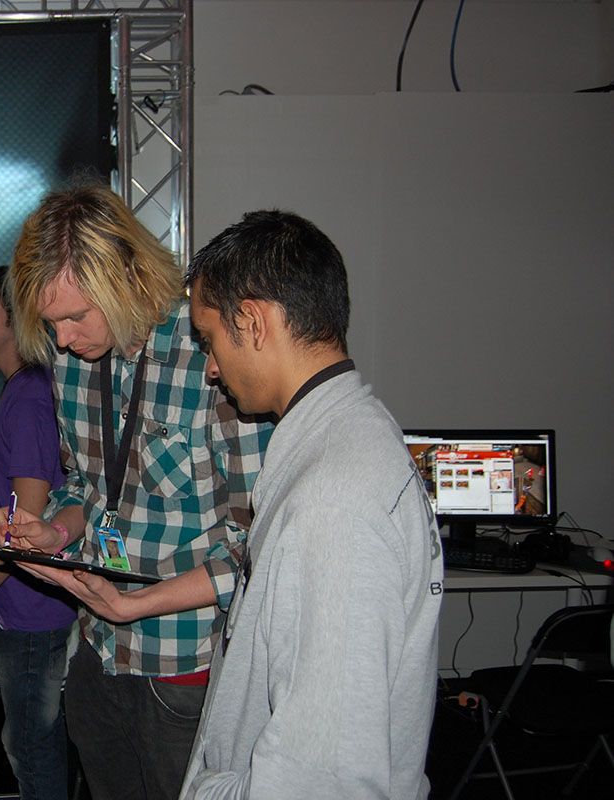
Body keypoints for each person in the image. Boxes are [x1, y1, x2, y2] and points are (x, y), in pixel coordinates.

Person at [1, 184, 272, 799]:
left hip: (187, 664)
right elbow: (87, 486)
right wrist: (54, 530)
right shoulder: (70, 362)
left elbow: (257, 543)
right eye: (51, 322)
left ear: (128, 276)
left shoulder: (212, 352)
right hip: (99, 649)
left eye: (76, 316)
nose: (63, 339)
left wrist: (138, 604)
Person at [180, 210, 443, 799]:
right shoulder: (352, 434)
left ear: (252, 321)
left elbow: (323, 779)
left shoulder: (335, 499)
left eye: (209, 339)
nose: (212, 367)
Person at [0, 266, 74, 800]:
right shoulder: (20, 390)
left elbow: (28, 519)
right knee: (27, 738)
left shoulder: (29, 396)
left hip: (32, 606)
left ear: (17, 316)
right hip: (21, 597)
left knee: (30, 742)